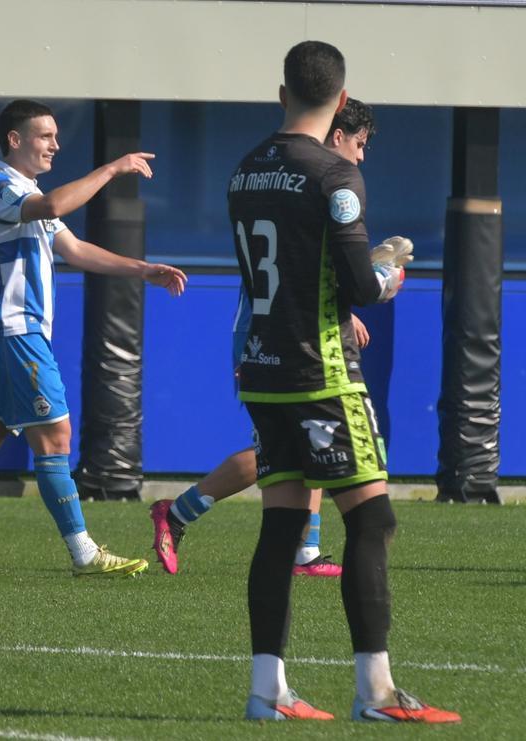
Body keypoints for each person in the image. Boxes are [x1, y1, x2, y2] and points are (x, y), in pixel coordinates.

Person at [228, 41, 458, 723]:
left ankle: (267, 690)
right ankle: (378, 693)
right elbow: (360, 287)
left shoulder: (245, 170)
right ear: (339, 99)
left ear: (281, 95)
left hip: (262, 368)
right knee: (373, 517)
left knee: (282, 525)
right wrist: (388, 274)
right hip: (319, 370)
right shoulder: (335, 175)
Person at [0, 99, 186, 578]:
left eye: (55, 136)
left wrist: (143, 269)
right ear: (15, 139)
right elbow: (51, 207)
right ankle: (84, 552)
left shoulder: (26, 192)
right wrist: (111, 168)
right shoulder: (0, 188)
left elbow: (75, 248)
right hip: (14, 334)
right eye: (45, 136)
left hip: (1, 336)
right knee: (56, 438)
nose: (55, 145)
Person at [149, 98, 378, 577]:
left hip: (292, 329)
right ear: (337, 135)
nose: (360, 158)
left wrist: (340, 309)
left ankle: (305, 553)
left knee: (309, 438)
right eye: (358, 144)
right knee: (273, 453)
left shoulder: (283, 174)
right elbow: (294, 270)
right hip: (264, 330)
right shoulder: (311, 178)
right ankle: (177, 511)